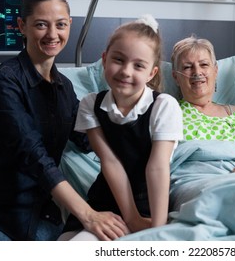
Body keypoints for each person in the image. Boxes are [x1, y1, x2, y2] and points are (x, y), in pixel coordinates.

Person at [0, 0, 129, 241]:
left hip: (42, 217)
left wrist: (136, 125)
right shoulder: (2, 83)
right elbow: (32, 154)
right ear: (22, 26)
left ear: (69, 24)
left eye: (60, 24)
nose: (52, 34)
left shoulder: (64, 88)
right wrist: (88, 215)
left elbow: (86, 137)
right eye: (40, 25)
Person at [59, 15, 183, 241]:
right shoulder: (90, 104)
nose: (126, 71)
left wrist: (157, 230)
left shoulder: (164, 106)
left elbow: (157, 167)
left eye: (138, 66)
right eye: (118, 59)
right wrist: (130, 218)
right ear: (104, 59)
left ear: (152, 73)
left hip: (151, 206)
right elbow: (110, 162)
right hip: (105, 203)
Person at [171, 35, 235, 172]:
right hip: (202, 180)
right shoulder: (171, 114)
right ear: (176, 77)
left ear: (215, 71)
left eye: (204, 64)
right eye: (187, 67)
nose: (197, 72)